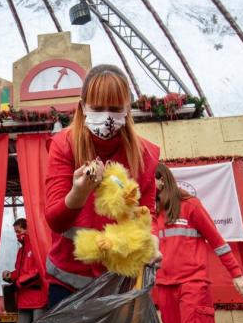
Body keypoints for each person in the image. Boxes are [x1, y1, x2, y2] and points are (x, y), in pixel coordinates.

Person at [44, 64, 161, 308]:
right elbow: (55, 220)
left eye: (116, 109)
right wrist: (79, 192)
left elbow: (146, 214)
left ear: (127, 109)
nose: (107, 117)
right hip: (68, 283)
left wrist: (153, 241)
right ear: (82, 107)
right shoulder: (64, 144)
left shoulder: (145, 154)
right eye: (97, 108)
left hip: (121, 280)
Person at [152, 163, 243, 323]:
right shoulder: (149, 215)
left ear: (161, 180)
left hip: (192, 285)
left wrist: (236, 273)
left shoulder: (190, 205)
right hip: (164, 288)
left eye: (146, 179)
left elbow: (217, 242)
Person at [2, 218, 46, 323]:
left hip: (38, 298)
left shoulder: (37, 247)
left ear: (27, 229)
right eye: (15, 232)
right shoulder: (21, 251)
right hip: (23, 298)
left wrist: (17, 283)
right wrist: (11, 277)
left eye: (18, 231)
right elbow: (22, 273)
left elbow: (37, 272)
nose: (16, 235)